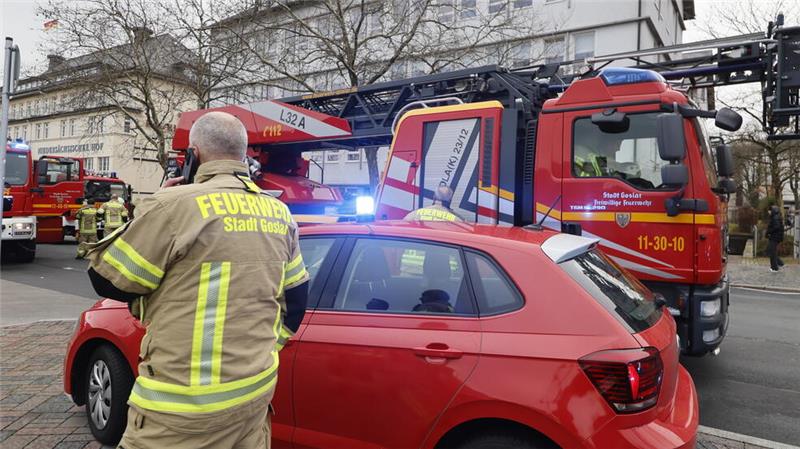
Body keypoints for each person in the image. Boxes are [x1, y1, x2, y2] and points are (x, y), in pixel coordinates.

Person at [85, 111, 309, 449]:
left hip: (181, 411)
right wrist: (259, 352)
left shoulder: (173, 206)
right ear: (243, 155)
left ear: (193, 155)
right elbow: (296, 301)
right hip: (254, 396)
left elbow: (106, 280)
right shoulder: (279, 213)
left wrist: (148, 211)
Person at [766, 205, 785, 272]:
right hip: (775, 237)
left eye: (769, 210)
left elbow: (776, 227)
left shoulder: (775, 217)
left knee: (772, 252)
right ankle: (780, 263)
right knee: (771, 251)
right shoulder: (775, 217)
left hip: (775, 237)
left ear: (772, 211)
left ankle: (774, 267)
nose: (768, 212)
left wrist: (769, 232)